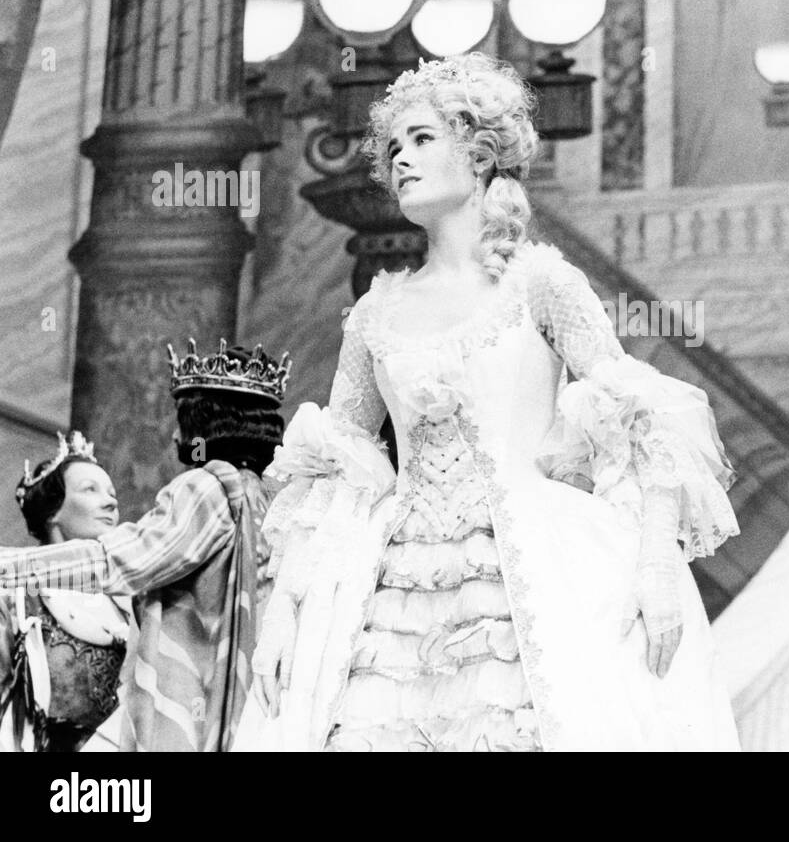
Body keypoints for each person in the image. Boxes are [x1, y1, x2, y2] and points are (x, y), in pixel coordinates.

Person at [241, 52, 741, 752]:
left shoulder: (539, 283)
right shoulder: (375, 312)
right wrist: (286, 616)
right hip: (393, 589)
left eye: (422, 139)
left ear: (478, 155)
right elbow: (334, 476)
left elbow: (642, 415)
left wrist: (658, 561)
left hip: (531, 569)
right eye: (393, 147)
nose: (401, 160)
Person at [0, 341, 288, 750]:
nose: (174, 435)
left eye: (182, 420)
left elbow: (118, 560)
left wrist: (8, 566)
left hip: (188, 707)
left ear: (204, 424)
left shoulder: (210, 488)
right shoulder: (269, 498)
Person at [0, 432, 129, 752]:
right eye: (90, 489)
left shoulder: (131, 603)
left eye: (112, 493)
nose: (111, 502)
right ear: (52, 511)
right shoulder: (16, 597)